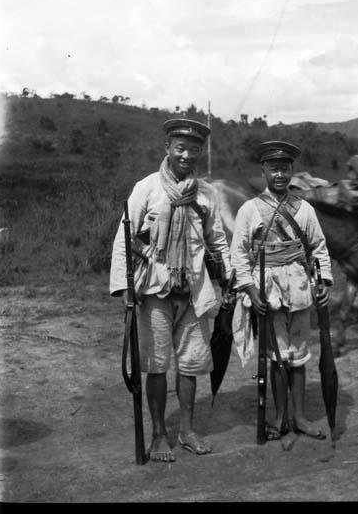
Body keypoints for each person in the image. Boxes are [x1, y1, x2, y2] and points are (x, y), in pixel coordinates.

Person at [110, 118, 231, 463]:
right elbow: (125, 238)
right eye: (180, 148)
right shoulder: (146, 188)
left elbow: (217, 240)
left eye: (194, 149)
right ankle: (160, 435)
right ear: (168, 149)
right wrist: (124, 287)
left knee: (192, 365)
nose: (186, 155)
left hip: (194, 291)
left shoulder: (207, 193)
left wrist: (228, 278)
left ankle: (187, 431)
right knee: (157, 365)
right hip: (155, 292)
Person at [230, 140, 333, 451]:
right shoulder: (250, 209)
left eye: (285, 168)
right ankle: (280, 418)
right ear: (263, 170)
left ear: (292, 171)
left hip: (300, 289)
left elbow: (319, 248)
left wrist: (322, 282)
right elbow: (239, 254)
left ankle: (300, 417)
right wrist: (250, 288)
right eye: (273, 168)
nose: (280, 174)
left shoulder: (304, 209)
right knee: (277, 358)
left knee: (298, 357)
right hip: (268, 292)